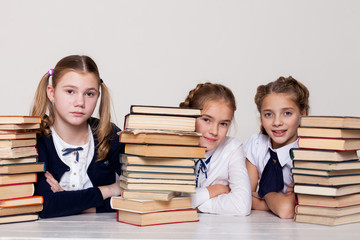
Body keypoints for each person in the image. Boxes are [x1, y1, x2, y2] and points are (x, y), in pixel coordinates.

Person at [31, 55, 124, 218]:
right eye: (70, 91)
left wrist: (69, 203)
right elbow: (45, 205)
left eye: (89, 94)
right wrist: (110, 190)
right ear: (51, 93)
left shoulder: (109, 135)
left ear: (98, 96)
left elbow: (138, 195)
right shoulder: (38, 140)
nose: (80, 102)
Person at [180, 82, 251, 215]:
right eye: (207, 120)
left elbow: (242, 206)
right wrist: (213, 190)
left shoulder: (233, 148)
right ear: (191, 117)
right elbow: (167, 200)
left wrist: (196, 205)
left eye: (223, 124)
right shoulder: (173, 145)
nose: (214, 131)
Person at [244, 76, 310, 219]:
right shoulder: (256, 145)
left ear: (302, 115)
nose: (277, 122)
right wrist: (275, 203)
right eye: (268, 114)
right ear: (261, 117)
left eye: (287, 113)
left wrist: (265, 194)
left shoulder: (309, 153)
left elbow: (286, 210)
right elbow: (243, 198)